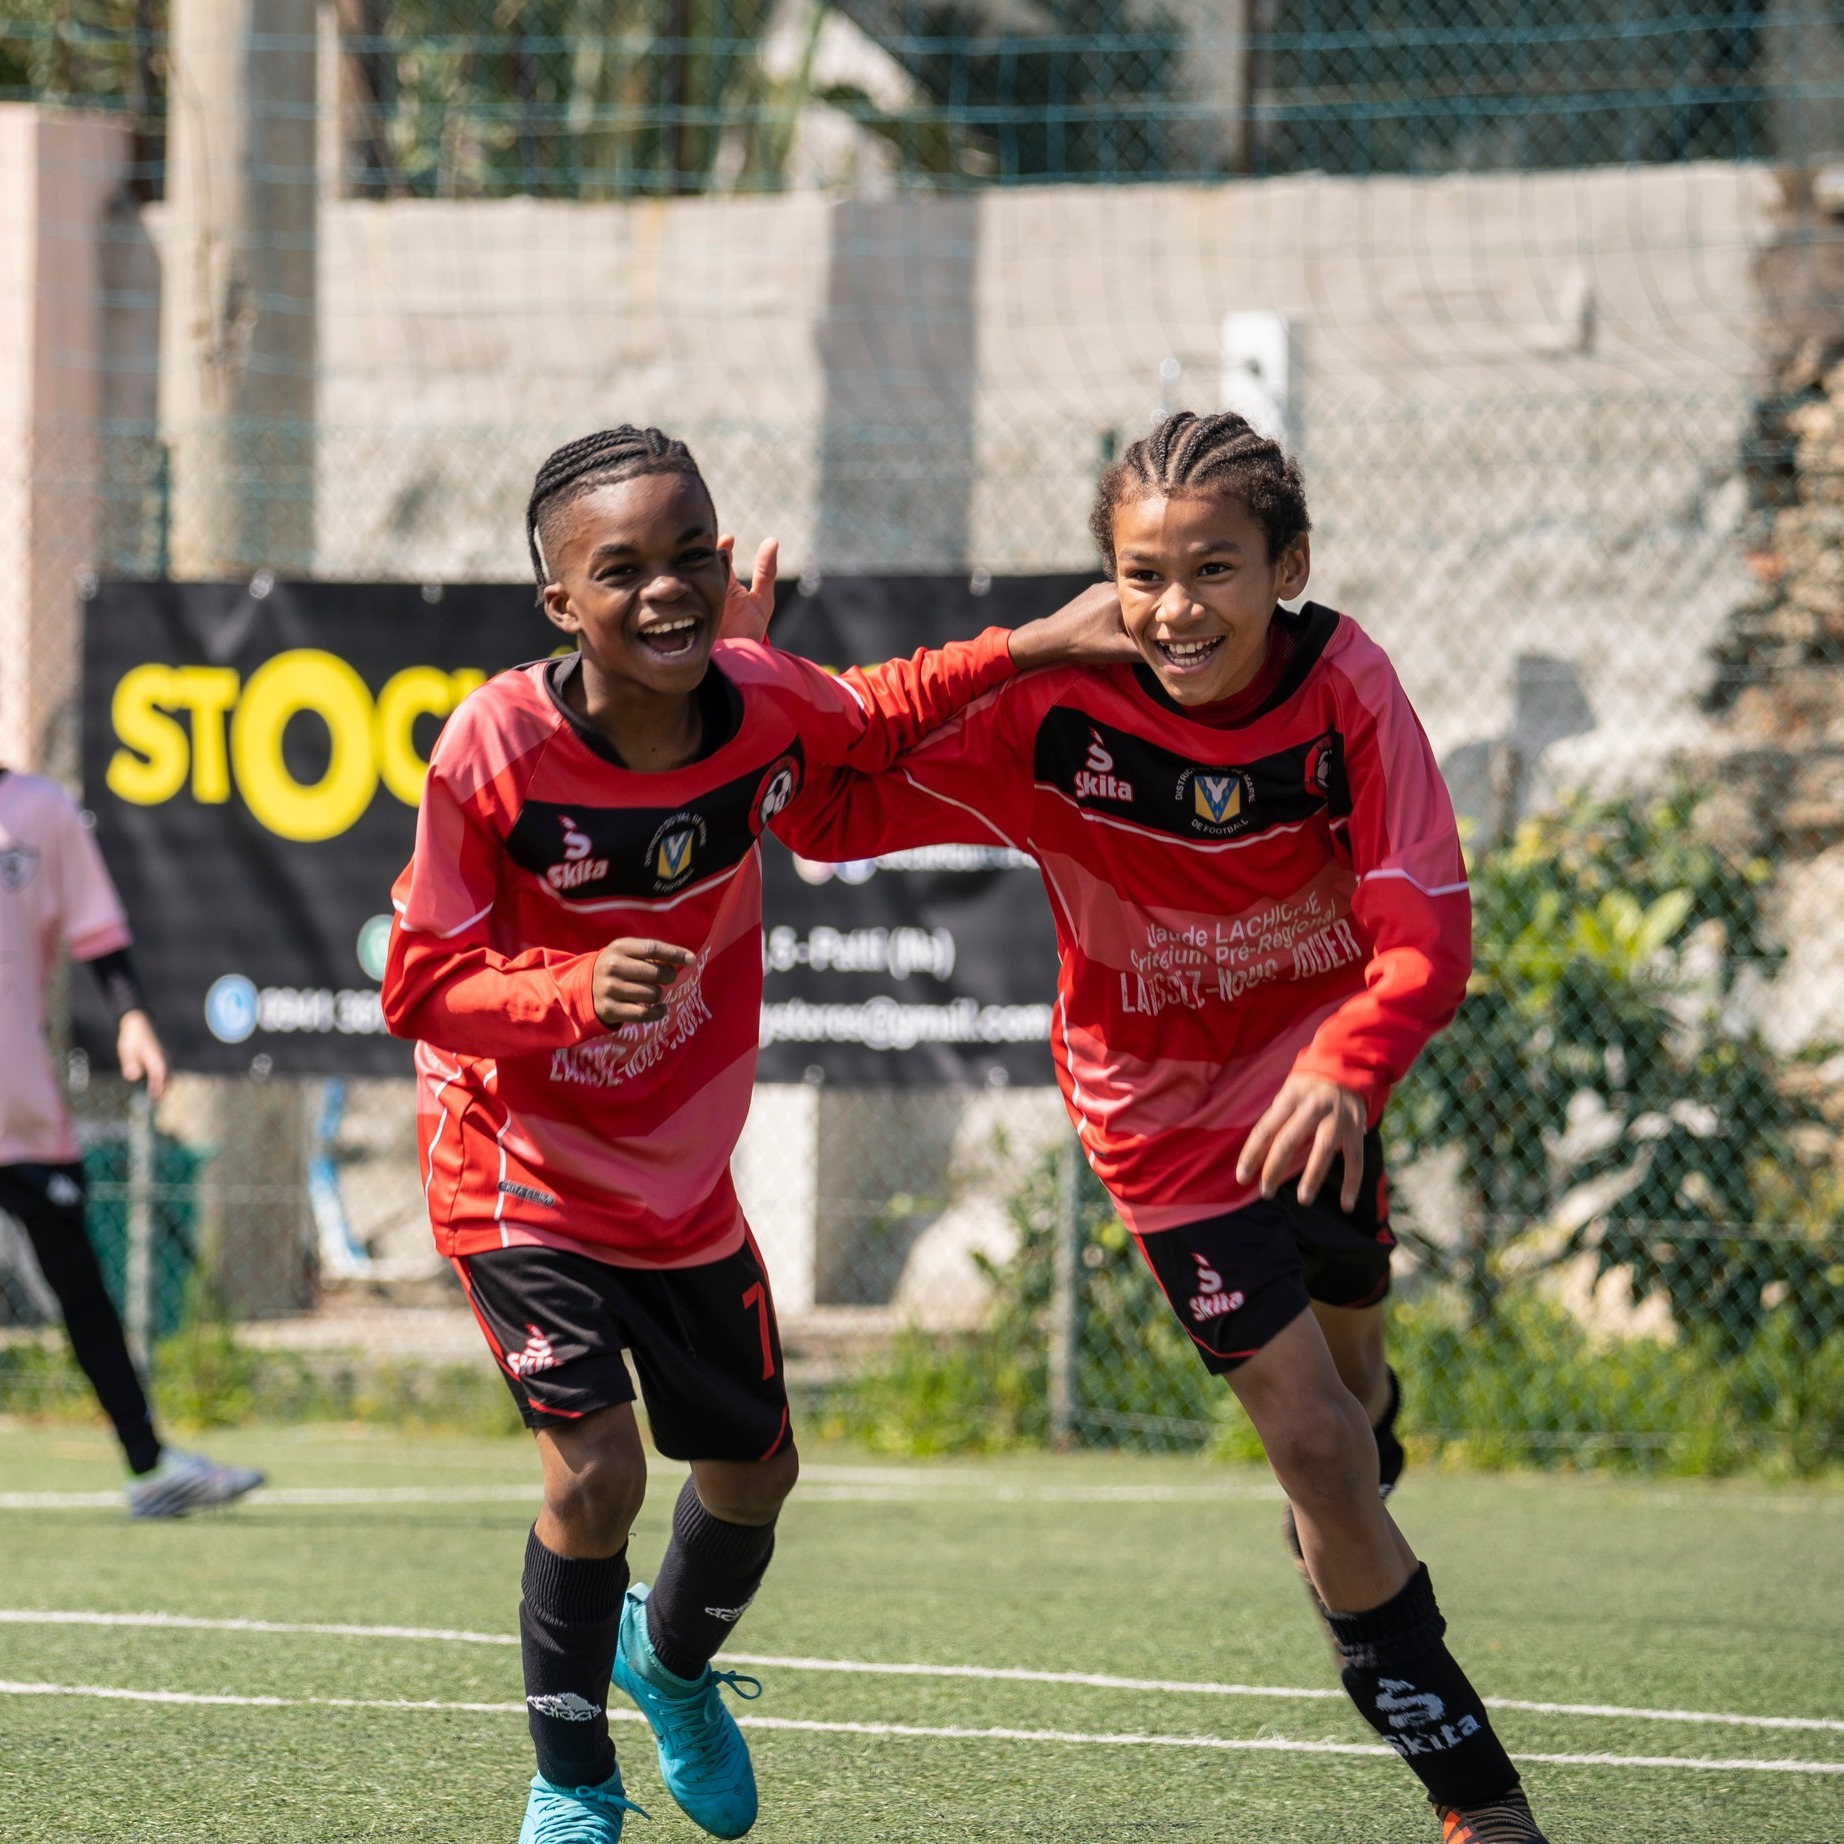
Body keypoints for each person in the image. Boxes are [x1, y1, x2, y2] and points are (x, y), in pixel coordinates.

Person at [772, 410, 1550, 1844]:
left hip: (1320, 1091)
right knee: (1314, 1446)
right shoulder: (1058, 714)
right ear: (1102, 584)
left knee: (1361, 1425)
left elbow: (1425, 922)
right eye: (1142, 575)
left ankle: (1350, 1510)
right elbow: (823, 801)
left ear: (1288, 568)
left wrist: (1353, 1063)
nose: (1177, 609)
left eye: (1214, 570)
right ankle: (1481, 1806)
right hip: (1164, 1131)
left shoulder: (1345, 688)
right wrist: (945, 657)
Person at [380, 425, 1130, 1844]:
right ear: (560, 607)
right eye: (623, 572)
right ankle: (571, 1786)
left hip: (677, 1176)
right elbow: (417, 985)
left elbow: (888, 706)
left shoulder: (767, 701)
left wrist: (1041, 645)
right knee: (595, 1467)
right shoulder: (496, 745)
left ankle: (667, 1667)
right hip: (515, 1168)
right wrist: (570, 989)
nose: (666, 591)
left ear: (724, 568)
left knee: (754, 1474)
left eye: (689, 557)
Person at [0, 766, 264, 1518]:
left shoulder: (41, 811)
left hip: (16, 1110)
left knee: (79, 1287)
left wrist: (132, 1017)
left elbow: (98, 932)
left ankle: (149, 1467)